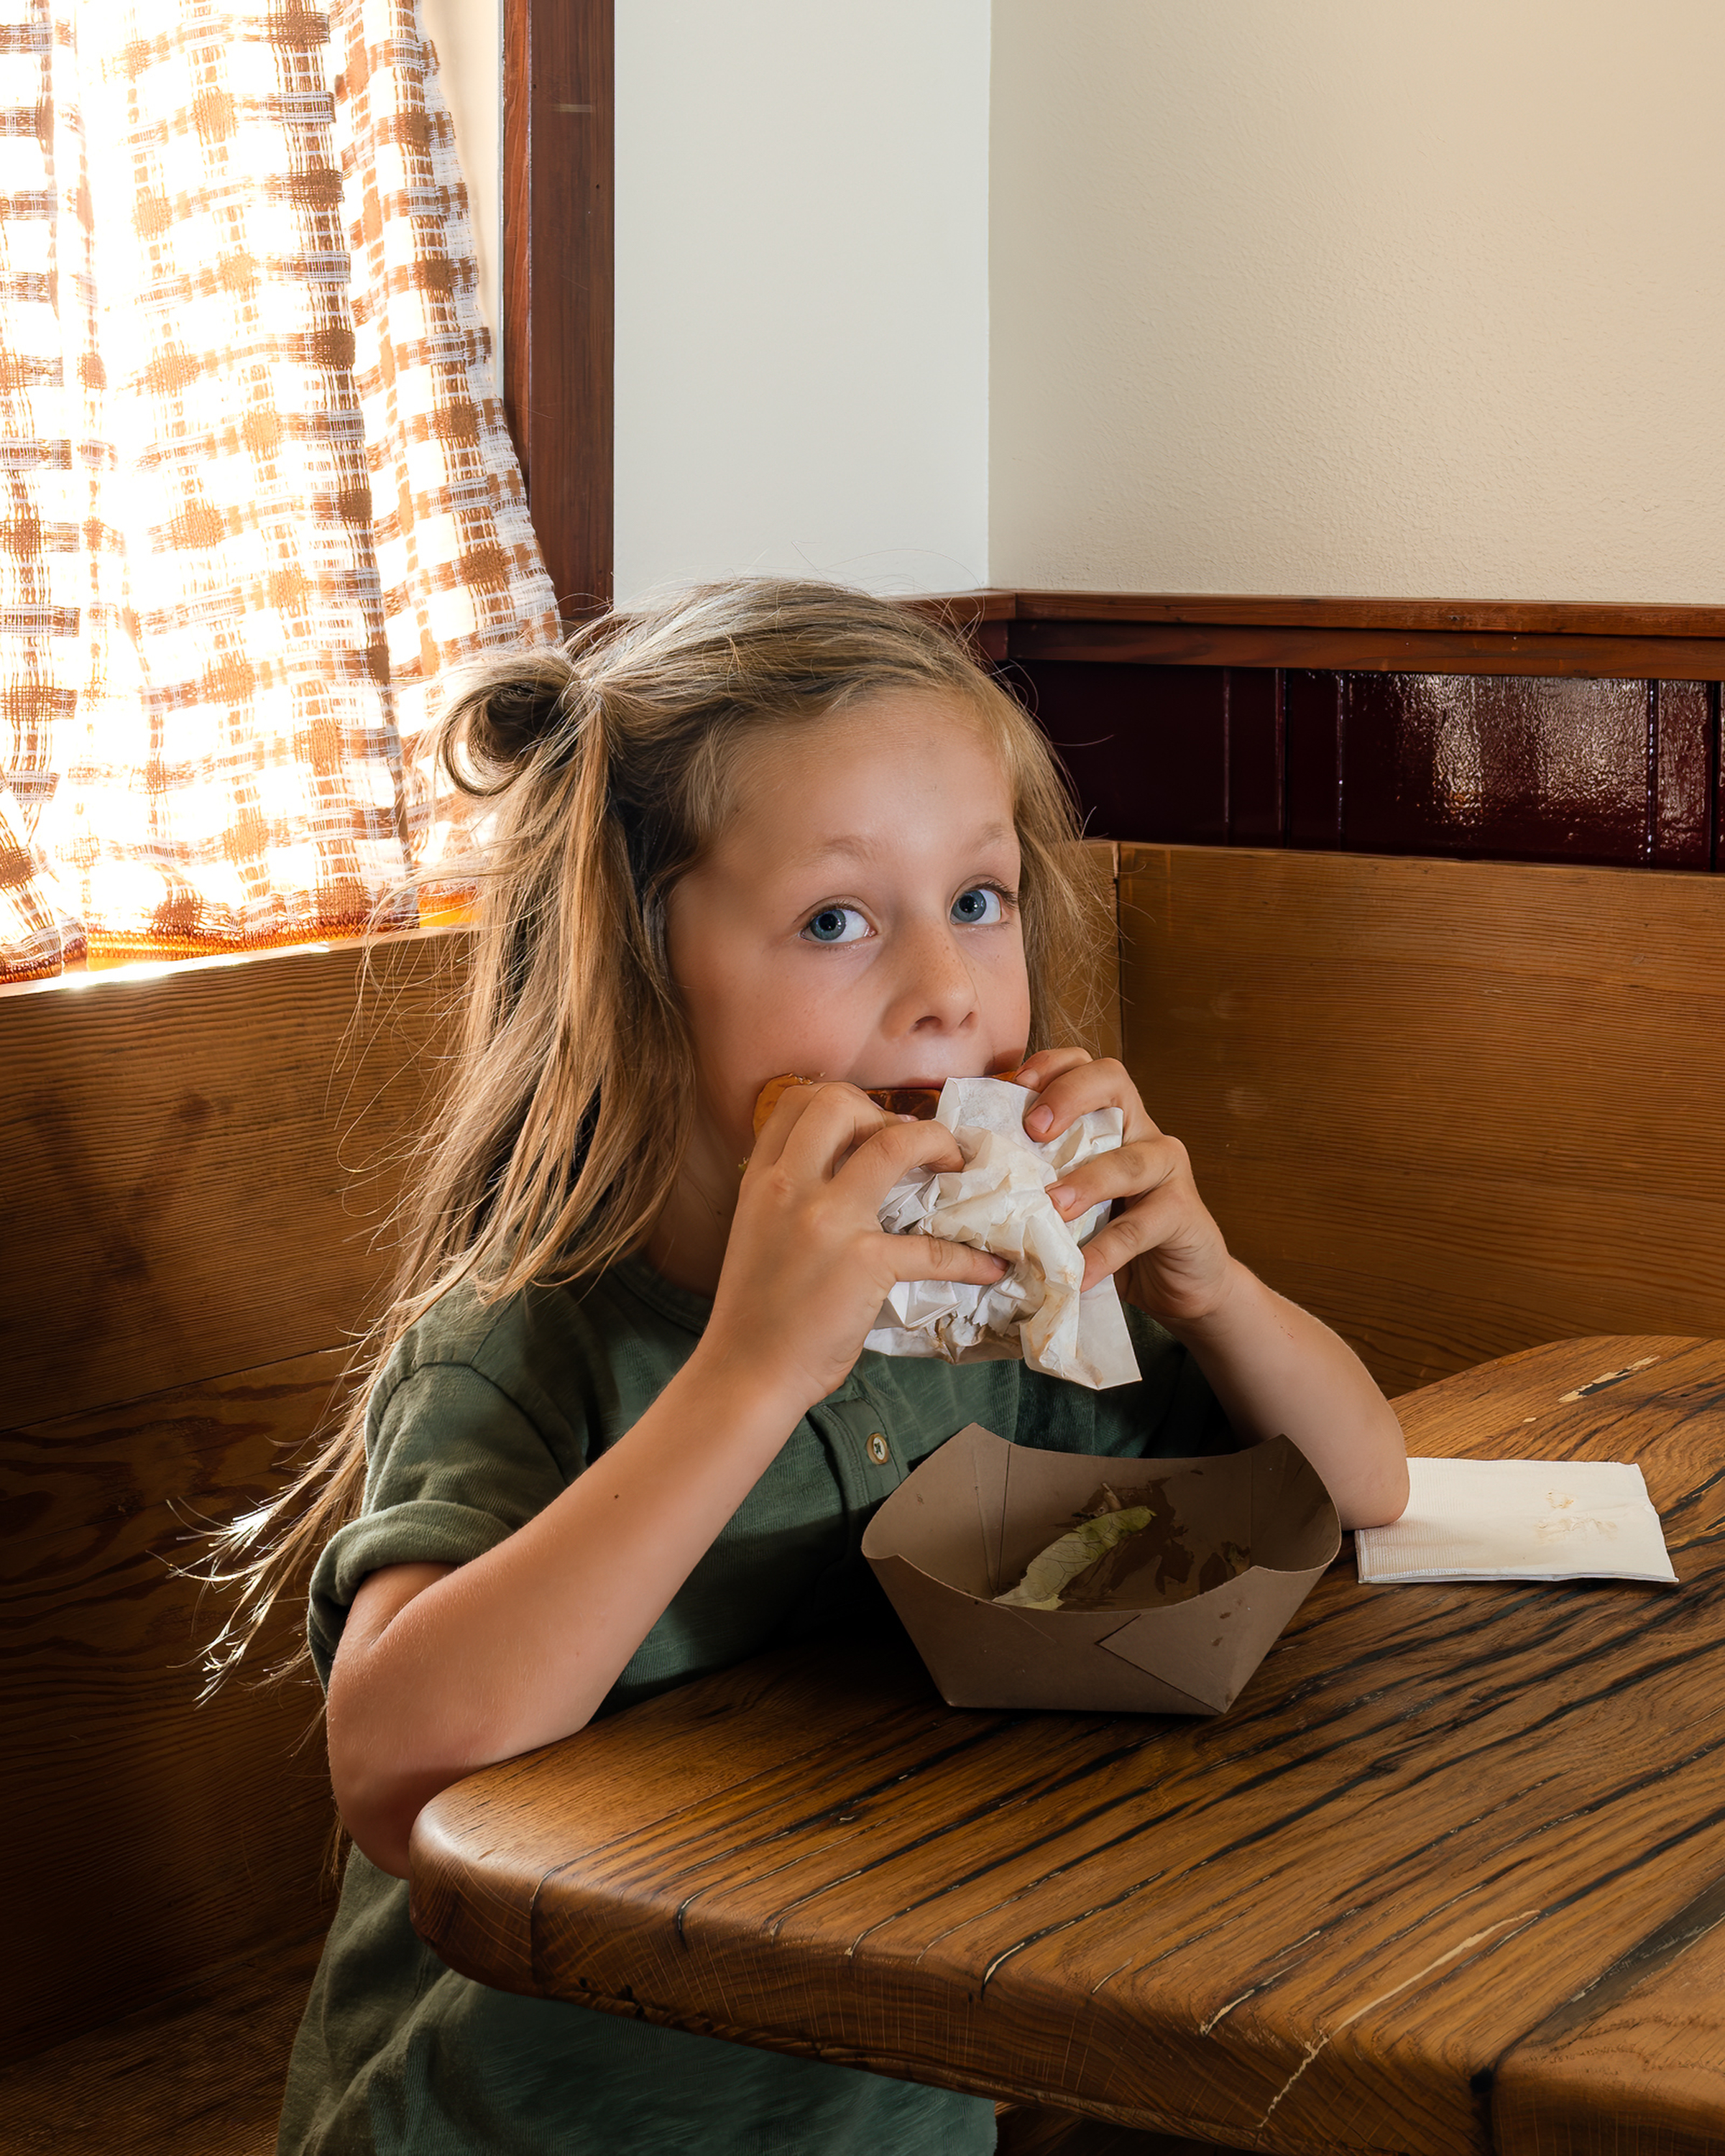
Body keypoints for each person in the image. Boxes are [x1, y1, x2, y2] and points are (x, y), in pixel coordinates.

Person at [231, 577, 1407, 2155]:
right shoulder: (529, 1341)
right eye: (838, 920)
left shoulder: (1009, 1310)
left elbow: (1364, 1490)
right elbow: (395, 1772)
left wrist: (1211, 1284)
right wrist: (750, 1376)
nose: (947, 987)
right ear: (639, 973)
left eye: (979, 898)